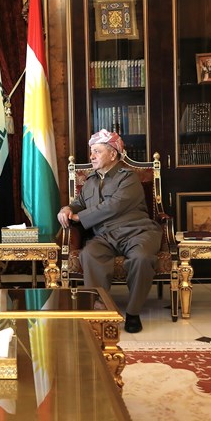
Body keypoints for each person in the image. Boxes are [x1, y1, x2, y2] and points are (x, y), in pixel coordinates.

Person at [56, 130, 162, 333]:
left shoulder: (129, 177)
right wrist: (67, 209)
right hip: (105, 235)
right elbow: (79, 203)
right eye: (91, 152)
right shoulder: (90, 181)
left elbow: (114, 205)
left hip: (137, 232)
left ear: (113, 154)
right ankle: (100, 307)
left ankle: (133, 312)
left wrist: (79, 217)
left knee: (141, 258)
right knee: (89, 254)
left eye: (97, 151)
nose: (91, 156)